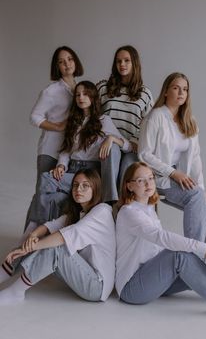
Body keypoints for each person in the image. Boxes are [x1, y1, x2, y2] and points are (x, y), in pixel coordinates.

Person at [115, 162, 206, 323]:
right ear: (129, 186)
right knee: (180, 253)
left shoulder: (149, 209)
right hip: (132, 288)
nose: (148, 183)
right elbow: (160, 237)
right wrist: (203, 247)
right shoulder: (129, 213)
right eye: (141, 180)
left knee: (196, 260)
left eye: (151, 178)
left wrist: (197, 254)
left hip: (155, 279)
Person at [0, 169, 116, 305]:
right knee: (34, 240)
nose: (79, 189)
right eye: (75, 185)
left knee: (56, 248)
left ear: (95, 188)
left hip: (96, 286)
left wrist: (29, 248)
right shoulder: (79, 213)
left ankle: (16, 292)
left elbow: (64, 237)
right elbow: (49, 226)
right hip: (82, 273)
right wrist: (32, 236)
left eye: (85, 185)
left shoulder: (102, 211)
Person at [27, 81, 131, 226]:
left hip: (90, 172)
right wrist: (61, 166)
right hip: (72, 170)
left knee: (50, 186)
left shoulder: (103, 121)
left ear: (93, 97)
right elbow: (66, 150)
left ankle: (39, 231)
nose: (81, 97)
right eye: (77, 95)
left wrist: (112, 139)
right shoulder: (73, 122)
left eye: (85, 94)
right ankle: (39, 229)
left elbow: (128, 146)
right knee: (46, 180)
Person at [138, 72, 206, 245]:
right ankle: (194, 253)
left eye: (185, 89)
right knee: (196, 196)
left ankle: (204, 260)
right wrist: (173, 173)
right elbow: (144, 154)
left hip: (180, 178)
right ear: (166, 91)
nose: (181, 92)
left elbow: (195, 159)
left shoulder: (190, 121)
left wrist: (202, 191)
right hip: (158, 178)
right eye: (176, 88)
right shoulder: (155, 117)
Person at [97, 45, 153, 187]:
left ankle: (123, 206)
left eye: (126, 60)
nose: (122, 64)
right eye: (118, 61)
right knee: (112, 150)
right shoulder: (104, 88)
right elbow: (93, 116)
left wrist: (135, 143)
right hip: (107, 143)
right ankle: (109, 203)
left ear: (134, 63)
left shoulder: (145, 93)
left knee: (127, 173)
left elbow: (149, 126)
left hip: (131, 147)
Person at [30, 46, 84, 181]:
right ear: (57, 66)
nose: (67, 64)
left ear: (75, 61)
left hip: (70, 153)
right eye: (61, 61)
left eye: (70, 59)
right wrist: (58, 126)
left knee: (61, 197)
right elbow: (34, 117)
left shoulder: (80, 89)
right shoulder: (51, 91)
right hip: (51, 151)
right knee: (44, 194)